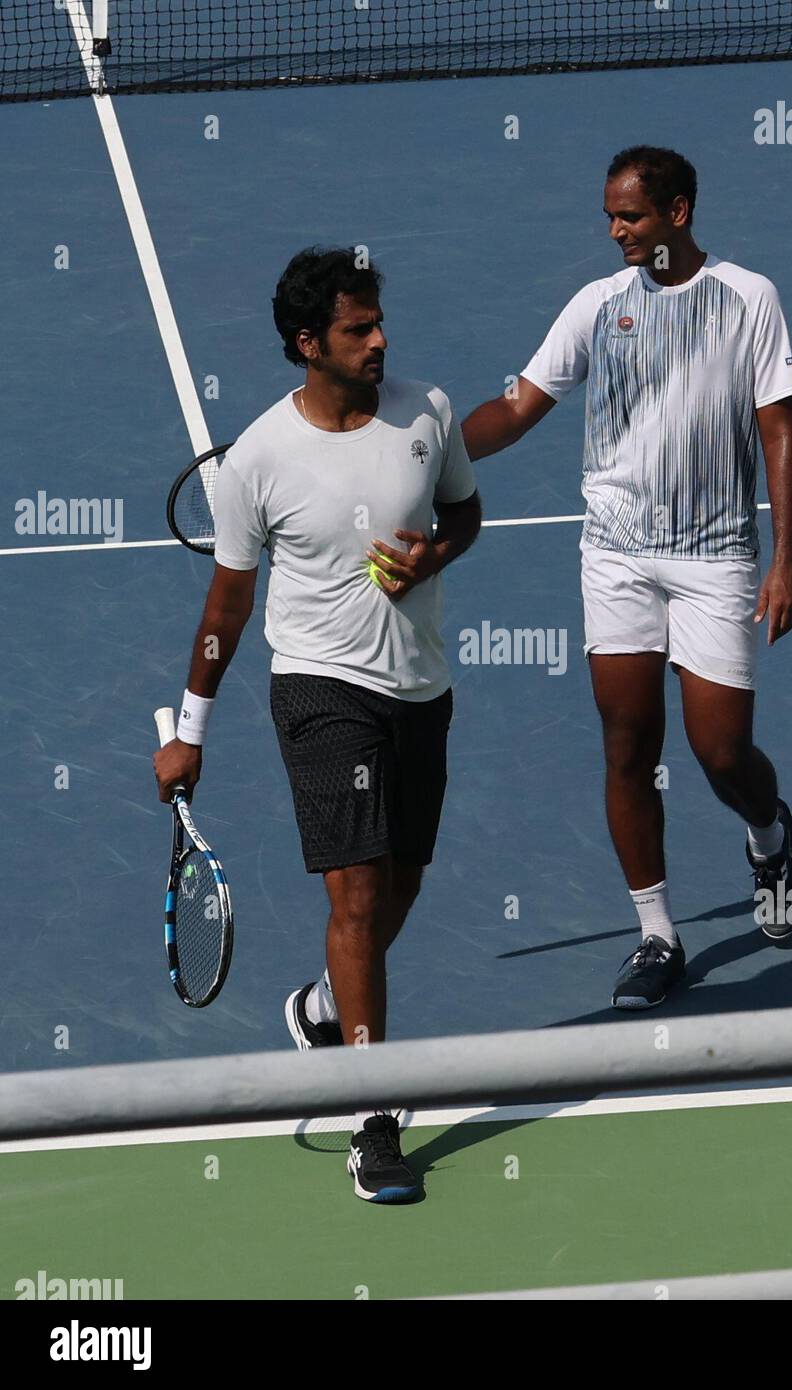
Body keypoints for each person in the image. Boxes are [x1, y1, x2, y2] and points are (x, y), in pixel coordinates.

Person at [153, 247, 481, 1201]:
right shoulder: (258, 459)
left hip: (421, 688)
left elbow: (465, 513)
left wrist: (434, 555)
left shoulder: (430, 413)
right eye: (356, 329)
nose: (379, 340)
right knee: (355, 896)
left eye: (379, 324)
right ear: (308, 343)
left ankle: (329, 1006)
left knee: (400, 887)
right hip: (319, 688)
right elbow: (226, 611)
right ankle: (372, 1121)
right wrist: (190, 731)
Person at [461, 146, 792, 1010]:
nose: (617, 231)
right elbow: (516, 407)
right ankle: (657, 934)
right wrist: (420, 447)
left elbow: (777, 432)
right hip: (614, 554)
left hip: (715, 556)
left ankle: (769, 834)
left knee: (720, 751)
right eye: (611, 217)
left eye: (633, 217)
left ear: (679, 212)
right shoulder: (597, 306)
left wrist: (787, 560)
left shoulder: (748, 299)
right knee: (627, 746)